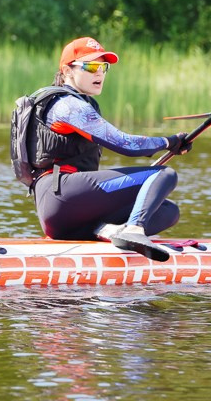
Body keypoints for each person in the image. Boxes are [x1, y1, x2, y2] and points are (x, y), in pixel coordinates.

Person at [21, 37, 191, 262]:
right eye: (91, 66)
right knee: (164, 175)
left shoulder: (79, 102)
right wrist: (169, 142)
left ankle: (106, 231)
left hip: (69, 219)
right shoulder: (66, 104)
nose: (99, 74)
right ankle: (133, 231)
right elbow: (125, 144)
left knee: (168, 211)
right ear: (67, 71)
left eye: (103, 67)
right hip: (60, 195)